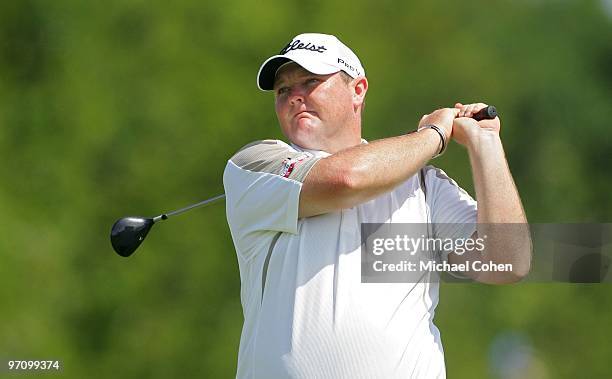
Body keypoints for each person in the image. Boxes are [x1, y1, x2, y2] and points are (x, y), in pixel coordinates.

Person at [223, 33, 531, 379]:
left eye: (310, 82)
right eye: (283, 90)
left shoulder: (423, 186)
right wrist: (434, 135)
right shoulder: (255, 164)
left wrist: (485, 144)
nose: (295, 97)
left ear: (358, 90)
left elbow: (507, 263)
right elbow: (346, 179)